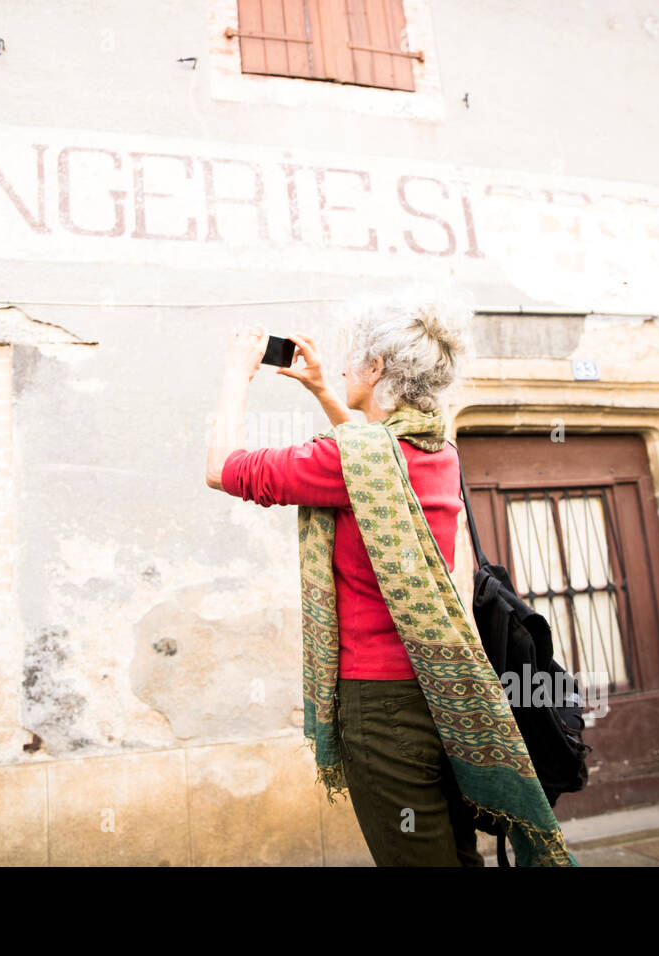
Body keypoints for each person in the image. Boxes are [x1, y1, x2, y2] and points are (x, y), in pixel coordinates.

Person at [203, 304, 485, 866]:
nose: (346, 372)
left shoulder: (346, 459)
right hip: (445, 692)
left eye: (353, 363)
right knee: (458, 854)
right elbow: (368, 461)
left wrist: (237, 374)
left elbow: (222, 468)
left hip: (381, 703)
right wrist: (322, 392)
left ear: (376, 367)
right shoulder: (438, 451)